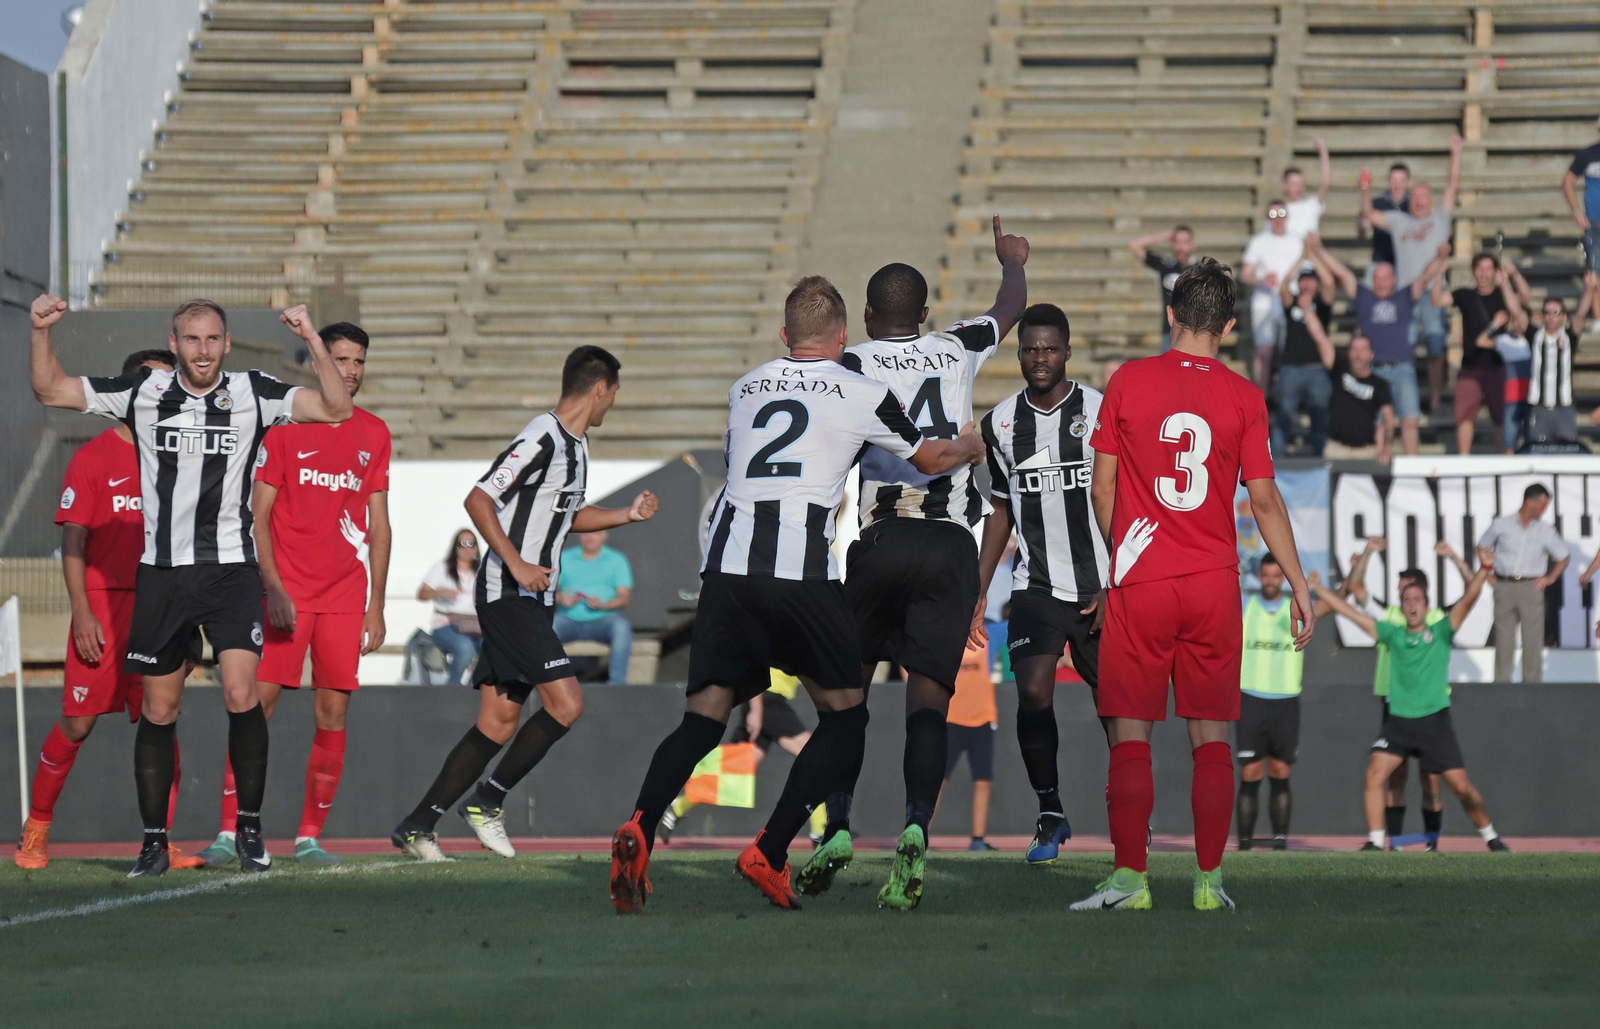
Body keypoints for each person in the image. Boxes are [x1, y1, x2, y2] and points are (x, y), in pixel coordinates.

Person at [607, 275, 983, 914]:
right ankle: (771, 848)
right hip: (799, 572)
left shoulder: (745, 386)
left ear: (784, 337)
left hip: (726, 571)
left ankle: (641, 823)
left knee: (702, 718)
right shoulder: (862, 388)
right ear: (843, 337)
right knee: (846, 716)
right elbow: (931, 459)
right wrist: (981, 439)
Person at [29, 295, 354, 877]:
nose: (201, 349)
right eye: (190, 339)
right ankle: (154, 841)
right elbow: (52, 390)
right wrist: (38, 331)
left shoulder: (254, 391)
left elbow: (334, 407)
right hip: (162, 573)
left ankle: (249, 832)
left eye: (212, 339)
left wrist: (310, 336)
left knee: (239, 693)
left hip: (231, 571)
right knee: (160, 707)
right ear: (174, 343)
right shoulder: (142, 394)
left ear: (226, 344)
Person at [1073, 258, 1314, 914]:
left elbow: (1102, 486)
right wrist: (1298, 583)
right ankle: (1208, 882)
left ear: (1172, 314)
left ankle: (1131, 879)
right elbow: (1263, 501)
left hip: (1143, 578)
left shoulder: (1127, 380)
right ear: (1229, 326)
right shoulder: (1244, 397)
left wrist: (1121, 555)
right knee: (1211, 740)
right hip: (1212, 584)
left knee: (1131, 736)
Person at [821, 219, 1027, 911]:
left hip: (882, 540)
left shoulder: (850, 364)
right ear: (928, 313)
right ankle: (915, 825)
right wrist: (1012, 263)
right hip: (950, 545)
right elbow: (1008, 312)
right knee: (928, 707)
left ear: (871, 316)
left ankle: (839, 824)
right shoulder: (956, 346)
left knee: (845, 696)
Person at [392, 346, 658, 862]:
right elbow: (478, 499)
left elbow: (566, 518)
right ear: (600, 388)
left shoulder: (577, 447)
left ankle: (417, 824)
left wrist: (625, 515)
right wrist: (514, 563)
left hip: (532, 598)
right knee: (567, 703)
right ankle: (488, 800)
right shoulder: (542, 435)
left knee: (497, 723)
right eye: (614, 395)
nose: (612, 406)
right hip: (508, 593)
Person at [193, 322, 391, 868]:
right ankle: (231, 832)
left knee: (332, 713)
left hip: (345, 599)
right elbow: (257, 517)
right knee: (254, 708)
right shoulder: (281, 428)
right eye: (341, 360)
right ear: (317, 363)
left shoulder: (375, 432)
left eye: (358, 362)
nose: (349, 371)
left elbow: (380, 524)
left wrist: (376, 604)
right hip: (285, 595)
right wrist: (273, 587)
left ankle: (308, 837)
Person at [15, 351, 204, 872]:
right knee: (77, 725)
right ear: (127, 389)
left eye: (169, 383)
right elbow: (73, 544)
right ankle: (36, 830)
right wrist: (82, 612)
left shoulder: (184, 458)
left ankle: (159, 841)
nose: (159, 391)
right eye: (148, 380)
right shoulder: (93, 457)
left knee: (161, 719)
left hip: (162, 605)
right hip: (103, 606)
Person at [973, 302, 1111, 865]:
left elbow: (1122, 498)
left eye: (1050, 348)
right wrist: (979, 590)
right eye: (1030, 348)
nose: (1039, 358)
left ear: (1068, 352)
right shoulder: (1000, 424)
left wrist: (1120, 579)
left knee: (1118, 707)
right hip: (1035, 585)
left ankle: (1131, 814)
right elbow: (1001, 510)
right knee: (1031, 690)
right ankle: (1050, 813)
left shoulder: (1101, 412)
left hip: (1101, 585)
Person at [1312, 560, 1509, 853]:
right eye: (1406, 600)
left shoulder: (1441, 631)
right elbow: (1349, 612)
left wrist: (1484, 568)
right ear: (1402, 606)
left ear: (1427, 606)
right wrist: (1317, 589)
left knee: (1460, 787)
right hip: (1399, 723)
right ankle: (1377, 843)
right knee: (1374, 773)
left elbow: (1469, 599)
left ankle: (1491, 837)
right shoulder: (1393, 634)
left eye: (1417, 599)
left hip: (1434, 723)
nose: (1412, 604)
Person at [1344, 539, 1466, 848]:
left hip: (1430, 707)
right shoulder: (1390, 617)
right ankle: (1394, 843)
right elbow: (1356, 588)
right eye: (1401, 593)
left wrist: (1453, 556)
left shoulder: (1437, 619)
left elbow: (1474, 591)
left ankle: (1431, 843)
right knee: (1393, 776)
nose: (1404, 600)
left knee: (1431, 778)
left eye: (1408, 592)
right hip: (1393, 702)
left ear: (1422, 595)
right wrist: (1368, 553)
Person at [1360, 137, 1464, 413]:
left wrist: (1456, 153)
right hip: (1404, 296)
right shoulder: (1398, 221)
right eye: (1415, 198)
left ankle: (1435, 398)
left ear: (1431, 201)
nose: (1419, 202)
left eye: (1423, 198)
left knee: (1434, 346)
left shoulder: (1440, 219)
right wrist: (1364, 189)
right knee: (1400, 351)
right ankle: (1394, 401)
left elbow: (1453, 185)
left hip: (1432, 293)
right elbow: (1369, 214)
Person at [1320, 243, 1451, 456]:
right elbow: (1342, 273)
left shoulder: (1404, 297)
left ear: (1394, 280)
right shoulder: (1364, 298)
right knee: (1378, 423)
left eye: (1385, 278)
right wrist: (1318, 250)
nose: (1380, 283)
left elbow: (1425, 276)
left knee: (1409, 420)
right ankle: (1379, 464)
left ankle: (1413, 467)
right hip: (1374, 371)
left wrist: (1439, 257)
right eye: (1377, 279)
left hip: (1402, 368)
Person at [657, 669, 815, 845]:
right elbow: (755, 668)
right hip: (766, 700)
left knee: (735, 770)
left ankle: (677, 807)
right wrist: (756, 710)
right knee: (814, 757)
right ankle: (821, 831)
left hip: (769, 702)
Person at [1234, 554, 1303, 851]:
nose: (1271, 581)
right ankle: (1245, 844)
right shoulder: (1246, 607)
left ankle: (1280, 843)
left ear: (1283, 578)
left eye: (1277, 576)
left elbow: (1340, 598)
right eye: (1266, 575)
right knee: (1250, 774)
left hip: (1286, 701)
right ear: (1259, 576)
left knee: (1280, 772)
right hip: (1251, 698)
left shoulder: (1297, 609)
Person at [1431, 254, 1529, 454]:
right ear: (1474, 272)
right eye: (1479, 268)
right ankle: (1464, 458)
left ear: (1495, 272)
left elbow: (1525, 299)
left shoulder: (1504, 294)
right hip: (1470, 365)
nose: (1484, 273)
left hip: (1498, 365)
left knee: (1500, 417)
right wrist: (1438, 276)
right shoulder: (1465, 294)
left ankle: (1503, 459)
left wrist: (1513, 276)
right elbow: (1437, 300)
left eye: (1488, 268)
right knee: (1465, 415)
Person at [1478, 484, 1569, 684]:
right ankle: (1501, 685)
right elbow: (1482, 545)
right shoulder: (1501, 524)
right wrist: (1488, 575)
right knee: (1504, 639)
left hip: (1531, 586)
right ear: (1530, 501)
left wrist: (1550, 578)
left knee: (1532, 639)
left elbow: (1563, 556)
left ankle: (1532, 686)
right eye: (1542, 505)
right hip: (1504, 584)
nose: (1544, 510)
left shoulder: (1545, 531)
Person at [1271, 243, 1336, 457]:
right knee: (1284, 417)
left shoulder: (1322, 305)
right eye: (1304, 279)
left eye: (1311, 280)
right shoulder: (1292, 304)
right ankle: (1276, 462)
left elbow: (1329, 281)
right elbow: (1283, 286)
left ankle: (1319, 460)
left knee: (1319, 418)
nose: (1307, 283)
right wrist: (1301, 258)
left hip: (1316, 369)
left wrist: (1313, 256)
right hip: (1290, 369)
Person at [937, 641, 998, 852]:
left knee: (983, 780)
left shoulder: (991, 636)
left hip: (982, 719)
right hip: (951, 718)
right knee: (937, 781)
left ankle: (978, 839)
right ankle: (918, 833)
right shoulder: (948, 634)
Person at [553, 530, 635, 685]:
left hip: (603, 619)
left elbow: (624, 598)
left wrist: (603, 605)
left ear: (605, 535)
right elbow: (549, 589)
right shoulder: (565, 557)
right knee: (548, 627)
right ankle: (550, 684)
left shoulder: (617, 560)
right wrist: (561, 599)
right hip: (568, 619)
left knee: (622, 627)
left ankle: (617, 685)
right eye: (585, 533)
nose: (589, 537)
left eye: (595, 533)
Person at [1240, 199, 1306, 391]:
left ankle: (1286, 393)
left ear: (1287, 216)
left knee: (1288, 350)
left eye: (1281, 215)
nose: (1277, 219)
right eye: (1272, 215)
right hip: (1264, 303)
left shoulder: (1297, 241)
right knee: (1263, 351)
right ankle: (1260, 396)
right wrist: (1261, 280)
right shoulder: (1259, 242)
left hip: (1290, 302)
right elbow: (1245, 274)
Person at [1527, 292, 1593, 443]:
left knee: (1567, 457)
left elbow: (1581, 315)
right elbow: (1517, 313)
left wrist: (1589, 290)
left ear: (1563, 317)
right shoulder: (1535, 336)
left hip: (1564, 407)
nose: (1551, 317)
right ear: (1542, 316)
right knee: (1538, 455)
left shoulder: (1569, 336)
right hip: (1539, 407)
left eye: (1556, 313)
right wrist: (1505, 285)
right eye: (1547, 313)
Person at [420, 531, 483, 684]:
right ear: (455, 547)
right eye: (462, 544)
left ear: (476, 548)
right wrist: (439, 591)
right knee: (465, 649)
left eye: (471, 544)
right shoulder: (442, 567)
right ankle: (452, 688)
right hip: (446, 624)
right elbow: (421, 594)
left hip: (476, 625)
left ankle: (473, 689)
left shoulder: (482, 570)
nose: (466, 548)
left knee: (495, 649)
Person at [1323, 334, 1395, 462]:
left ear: (1371, 354)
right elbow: (1322, 341)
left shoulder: (1379, 385)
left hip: (1366, 452)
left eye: (1363, 349)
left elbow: (1388, 418)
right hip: (1336, 450)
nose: (1358, 354)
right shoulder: (1339, 369)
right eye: (1354, 349)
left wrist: (1386, 447)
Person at [1127, 225, 1196, 352]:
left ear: (1192, 245)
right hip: (1169, 331)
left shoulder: (1200, 269)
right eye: (1177, 241)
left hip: (1195, 334)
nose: (1181, 247)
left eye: (1185, 242)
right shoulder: (1165, 265)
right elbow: (1134, 245)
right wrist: (1163, 236)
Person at [1561, 118, 1600, 292]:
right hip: (1594, 220)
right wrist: (1577, 211)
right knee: (1595, 272)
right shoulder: (1587, 155)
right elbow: (1568, 181)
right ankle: (1598, 318)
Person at [1359, 162, 1412, 269]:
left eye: (1402, 181)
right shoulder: (1376, 204)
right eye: (1394, 180)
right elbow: (1362, 228)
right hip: (1380, 262)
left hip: (1407, 263)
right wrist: (1362, 225)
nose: (1397, 185)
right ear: (1387, 181)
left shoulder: (1414, 205)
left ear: (1408, 182)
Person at [1281, 138, 1331, 240]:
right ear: (1284, 186)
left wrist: (1323, 152)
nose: (1298, 187)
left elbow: (1326, 183)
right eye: (1294, 183)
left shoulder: (1312, 205)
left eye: (1301, 184)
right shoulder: (1278, 211)